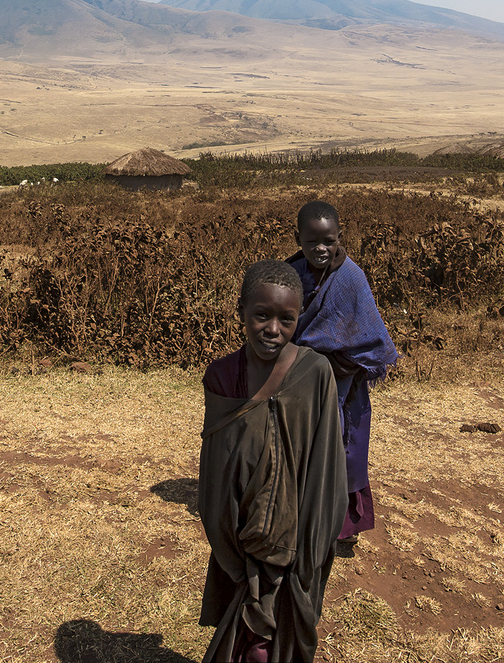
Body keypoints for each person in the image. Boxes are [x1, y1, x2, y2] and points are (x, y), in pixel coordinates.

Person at [199, 259, 347, 663]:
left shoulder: (316, 373)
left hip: (295, 538)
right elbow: (216, 470)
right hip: (240, 534)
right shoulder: (223, 377)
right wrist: (229, 542)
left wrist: (310, 550)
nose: (273, 330)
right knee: (246, 634)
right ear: (241, 312)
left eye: (287, 319)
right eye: (261, 315)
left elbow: (325, 469)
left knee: (275, 642)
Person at [287, 200, 399, 547]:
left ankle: (342, 528)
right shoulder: (291, 274)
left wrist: (330, 366)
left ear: (340, 237)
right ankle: (303, 520)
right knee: (301, 451)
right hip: (298, 384)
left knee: (343, 454)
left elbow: (373, 340)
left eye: (329, 241)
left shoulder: (351, 278)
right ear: (298, 239)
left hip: (342, 388)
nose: (320, 249)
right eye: (311, 242)